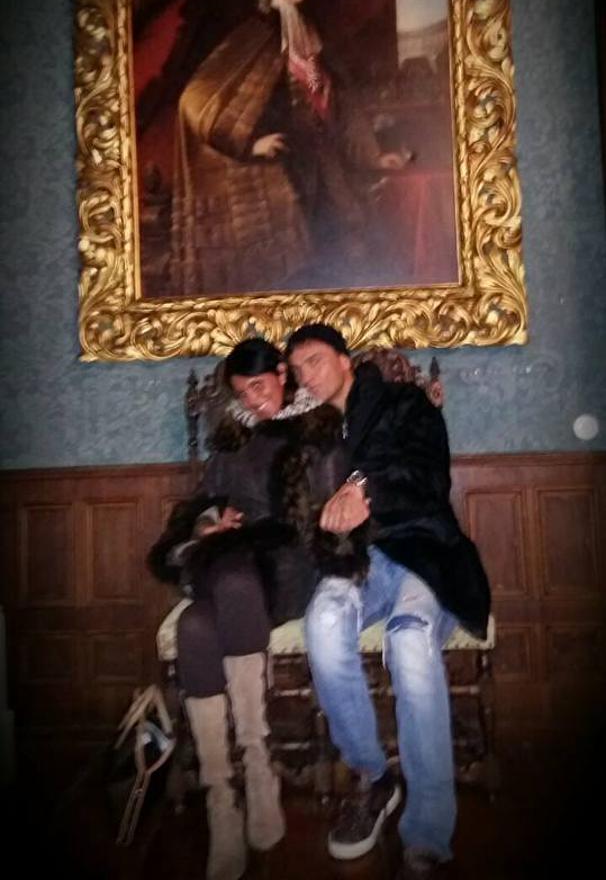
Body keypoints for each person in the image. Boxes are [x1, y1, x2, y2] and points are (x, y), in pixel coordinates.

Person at [285, 323, 491, 880]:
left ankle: (427, 832)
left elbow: (427, 473)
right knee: (324, 620)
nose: (306, 375)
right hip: (362, 561)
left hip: (424, 551)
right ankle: (375, 778)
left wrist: (365, 488)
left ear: (345, 360)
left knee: (410, 639)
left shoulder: (404, 403)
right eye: (297, 369)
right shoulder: (311, 431)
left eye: (314, 360)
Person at [147, 336, 347, 880]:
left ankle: (253, 769)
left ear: (283, 373)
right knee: (206, 612)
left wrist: (254, 529)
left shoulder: (318, 429)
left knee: (201, 619)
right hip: (230, 564)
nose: (253, 401)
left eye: (259, 387)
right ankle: (228, 793)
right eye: (242, 393)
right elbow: (204, 500)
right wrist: (210, 524)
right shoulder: (232, 435)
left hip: (286, 566)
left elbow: (324, 516)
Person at [171, 0, 402, 294]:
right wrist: (249, 143)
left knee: (348, 258)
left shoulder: (309, 31)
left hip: (326, 170)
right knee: (298, 275)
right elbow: (195, 100)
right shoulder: (255, 34)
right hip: (284, 177)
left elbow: (336, 104)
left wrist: (372, 156)